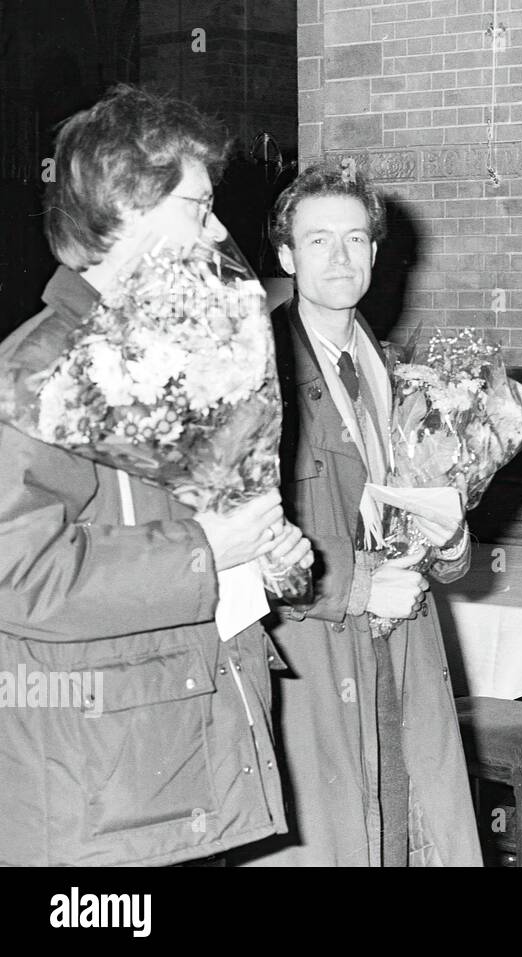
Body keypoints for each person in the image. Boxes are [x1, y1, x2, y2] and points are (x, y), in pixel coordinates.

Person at [0, 85, 310, 865]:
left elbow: (170, 540)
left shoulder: (167, 360)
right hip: (95, 792)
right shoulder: (35, 372)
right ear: (127, 210)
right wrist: (209, 548)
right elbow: (19, 573)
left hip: (171, 765)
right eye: (198, 208)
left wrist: (261, 558)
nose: (218, 233)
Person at [231, 164, 481, 866]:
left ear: (376, 251)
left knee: (404, 838)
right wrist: (358, 583)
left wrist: (454, 536)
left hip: (401, 656)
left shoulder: (396, 374)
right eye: (318, 241)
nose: (340, 258)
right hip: (313, 655)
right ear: (285, 255)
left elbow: (433, 525)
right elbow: (234, 535)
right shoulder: (254, 371)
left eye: (355, 239)